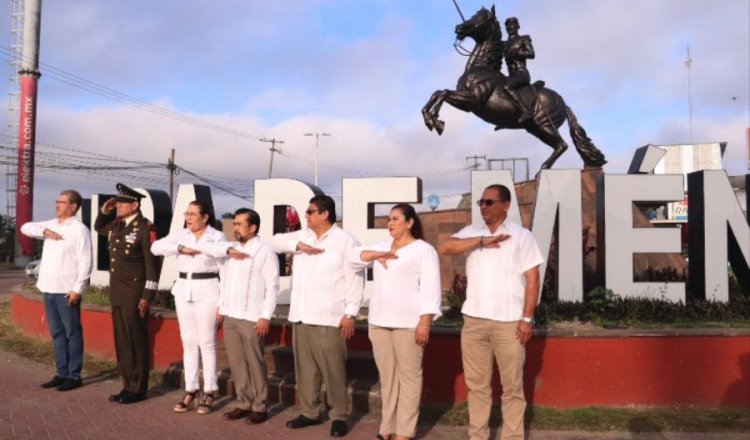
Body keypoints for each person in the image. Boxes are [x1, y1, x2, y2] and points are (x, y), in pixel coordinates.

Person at [439, 184, 543, 440]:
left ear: (505, 205)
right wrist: (481, 241)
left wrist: (527, 318)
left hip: (509, 324)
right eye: (481, 203)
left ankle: (512, 437)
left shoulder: (522, 236)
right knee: (477, 387)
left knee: (512, 388)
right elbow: (444, 246)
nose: (483, 207)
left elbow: (533, 280)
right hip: (474, 321)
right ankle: (478, 436)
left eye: (489, 202)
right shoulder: (472, 232)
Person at [269, 195, 364, 438]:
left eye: (310, 211)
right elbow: (273, 240)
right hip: (301, 315)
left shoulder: (345, 241)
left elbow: (355, 280)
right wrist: (297, 246)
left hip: (329, 317)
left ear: (325, 214)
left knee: (333, 370)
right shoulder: (303, 236)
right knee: (306, 370)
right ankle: (310, 412)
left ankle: (339, 416)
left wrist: (351, 313)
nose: (306, 215)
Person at [348, 204, 442, 440]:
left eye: (396, 219)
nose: (390, 223)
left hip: (409, 324)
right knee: (388, 380)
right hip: (379, 323)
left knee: (409, 379)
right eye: (389, 219)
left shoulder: (423, 250)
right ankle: (387, 428)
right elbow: (352, 259)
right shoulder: (381, 246)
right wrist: (375, 255)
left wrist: (425, 322)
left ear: (410, 222)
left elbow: (431, 290)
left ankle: (404, 432)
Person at [197, 208, 279, 425]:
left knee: (255, 363)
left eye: (240, 224)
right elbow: (206, 251)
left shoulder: (264, 251)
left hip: (252, 317)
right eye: (234, 224)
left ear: (253, 228)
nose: (235, 228)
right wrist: (222, 308)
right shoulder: (230, 250)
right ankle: (244, 403)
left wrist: (265, 316)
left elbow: (272, 287)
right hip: (231, 315)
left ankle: (260, 406)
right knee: (237, 363)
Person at [151, 200, 225, 415]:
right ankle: (191, 389)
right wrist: (179, 248)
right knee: (189, 342)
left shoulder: (217, 236)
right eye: (187, 213)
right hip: (184, 289)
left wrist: (223, 303)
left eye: (193, 214)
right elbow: (155, 247)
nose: (188, 218)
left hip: (209, 289)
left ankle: (210, 389)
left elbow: (224, 267)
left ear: (205, 217)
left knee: (207, 342)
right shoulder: (181, 235)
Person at [94, 183, 160, 404]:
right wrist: (104, 210)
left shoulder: (145, 229)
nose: (118, 206)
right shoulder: (117, 225)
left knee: (136, 342)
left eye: (122, 203)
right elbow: (98, 227)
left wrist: (147, 296)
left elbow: (152, 267)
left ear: (135, 204)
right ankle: (127, 385)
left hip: (135, 294)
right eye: (118, 202)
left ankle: (138, 388)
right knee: (122, 342)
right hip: (118, 292)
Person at [21, 189, 92, 392]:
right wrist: (45, 232)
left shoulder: (79, 230)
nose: (57, 205)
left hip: (66, 291)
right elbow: (26, 227)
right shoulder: (52, 224)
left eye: (62, 202)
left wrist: (78, 288)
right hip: (49, 289)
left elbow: (86, 261)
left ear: (73, 206)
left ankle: (74, 375)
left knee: (72, 333)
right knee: (57, 333)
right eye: (57, 201)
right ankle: (61, 373)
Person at [502, 17, 535, 123]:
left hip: (521, 73)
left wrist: (517, 53)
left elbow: (531, 54)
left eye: (512, 24)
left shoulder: (523, 39)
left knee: (507, 87)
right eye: (507, 25)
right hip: (511, 75)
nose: (509, 27)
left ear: (517, 26)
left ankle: (526, 111)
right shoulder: (504, 44)